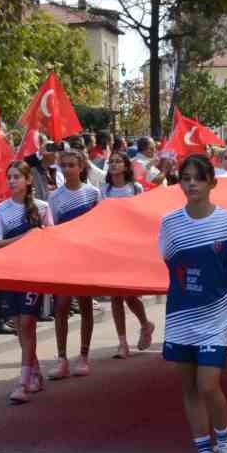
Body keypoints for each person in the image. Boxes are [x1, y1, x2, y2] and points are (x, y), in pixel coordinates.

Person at [160, 153, 227, 453]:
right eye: (185, 178)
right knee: (189, 387)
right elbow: (173, 267)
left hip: (217, 313)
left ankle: (226, 445)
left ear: (213, 182)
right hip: (181, 314)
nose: (192, 183)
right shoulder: (170, 224)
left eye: (198, 178)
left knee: (207, 385)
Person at [0, 161, 55, 404]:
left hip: (33, 274)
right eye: (10, 177)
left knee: (27, 323)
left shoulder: (43, 207)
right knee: (19, 325)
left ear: (28, 180)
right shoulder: (0, 209)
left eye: (17, 176)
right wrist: (24, 238)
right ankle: (34, 370)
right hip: (10, 273)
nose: (12, 181)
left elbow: (52, 241)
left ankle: (23, 382)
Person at [47, 149, 100, 378]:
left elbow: (101, 226)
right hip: (64, 258)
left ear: (81, 167)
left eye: (71, 165)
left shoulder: (93, 193)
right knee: (61, 307)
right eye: (64, 165)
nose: (67, 169)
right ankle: (61, 359)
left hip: (86, 258)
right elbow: (53, 229)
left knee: (85, 305)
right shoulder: (54, 197)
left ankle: (84, 356)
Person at [103, 151, 155, 355]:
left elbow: (143, 216)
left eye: (118, 162)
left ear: (126, 166)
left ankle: (145, 324)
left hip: (131, 248)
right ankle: (122, 343)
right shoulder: (104, 190)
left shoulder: (135, 188)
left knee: (130, 295)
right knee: (116, 296)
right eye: (111, 162)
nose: (114, 165)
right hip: (110, 247)